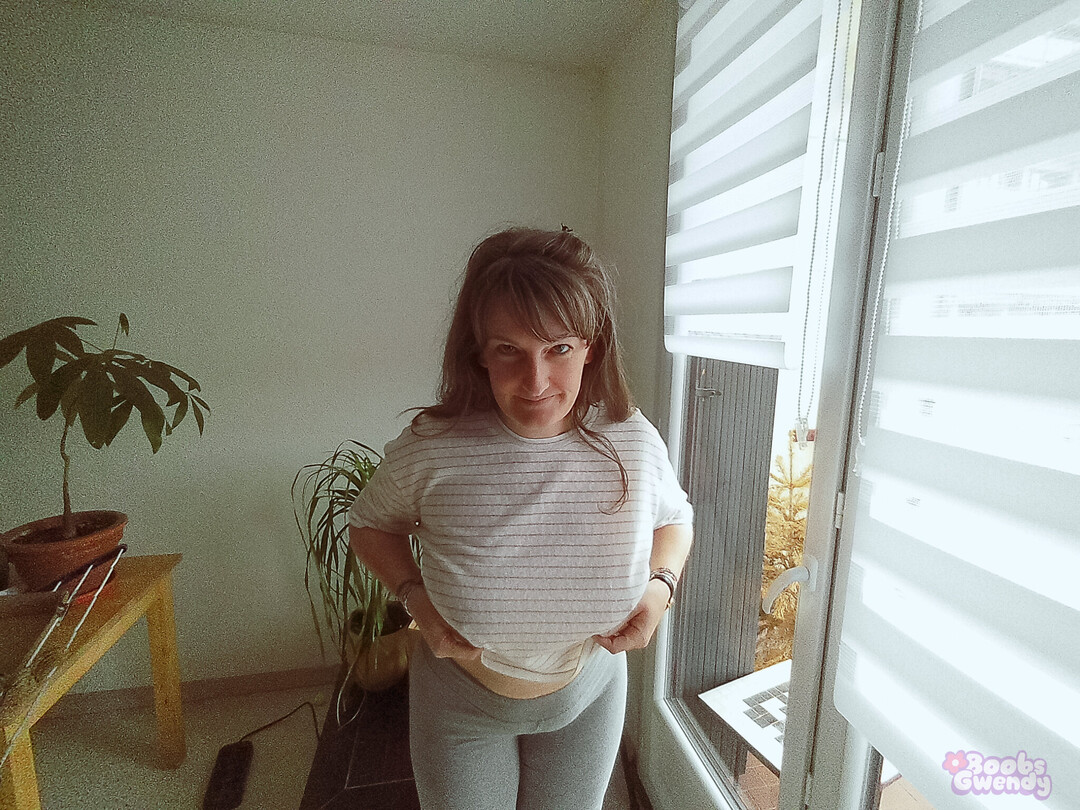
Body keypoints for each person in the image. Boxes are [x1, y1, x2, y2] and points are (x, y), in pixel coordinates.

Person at [347, 226, 693, 810]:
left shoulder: (631, 440)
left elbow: (675, 519)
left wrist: (660, 589)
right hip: (461, 707)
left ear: (591, 347)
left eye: (559, 349)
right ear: (479, 353)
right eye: (509, 349)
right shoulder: (433, 447)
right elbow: (369, 525)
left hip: (588, 698)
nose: (536, 382)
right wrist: (416, 600)